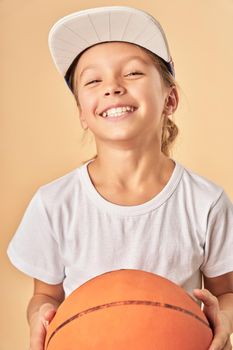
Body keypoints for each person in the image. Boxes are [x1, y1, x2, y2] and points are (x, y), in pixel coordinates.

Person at [7, 6, 233, 350]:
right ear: (83, 113)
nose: (112, 87)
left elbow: (226, 292)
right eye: (94, 80)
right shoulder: (54, 203)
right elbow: (45, 294)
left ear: (169, 99)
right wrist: (42, 316)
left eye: (132, 74)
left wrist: (224, 320)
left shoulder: (205, 202)